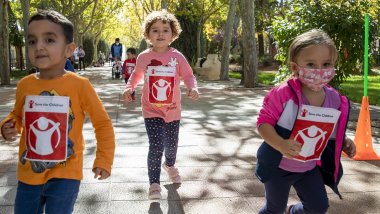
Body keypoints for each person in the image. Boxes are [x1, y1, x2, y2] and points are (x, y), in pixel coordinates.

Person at [0, 10, 115, 214]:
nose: (39, 46)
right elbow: (17, 115)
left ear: (69, 49)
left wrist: (104, 160)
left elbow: (103, 124)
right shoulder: (25, 85)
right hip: (28, 175)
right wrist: (8, 126)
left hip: (66, 175)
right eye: (32, 41)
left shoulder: (80, 85)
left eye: (49, 39)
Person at [255, 29, 356, 214]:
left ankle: (292, 211)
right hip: (278, 167)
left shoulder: (334, 99)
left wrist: (344, 141)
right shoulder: (283, 94)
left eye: (326, 64)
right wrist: (279, 143)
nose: (319, 70)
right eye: (311, 64)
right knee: (274, 209)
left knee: (319, 207)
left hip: (308, 168)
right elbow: (263, 123)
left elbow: (331, 129)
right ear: (295, 67)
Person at [123, 10, 199, 200]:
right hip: (151, 109)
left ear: (173, 35)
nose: (160, 34)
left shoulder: (178, 57)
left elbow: (189, 75)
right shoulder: (143, 57)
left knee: (171, 146)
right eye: (155, 30)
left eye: (165, 30)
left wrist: (192, 88)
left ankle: (170, 165)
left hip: (173, 111)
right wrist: (129, 88)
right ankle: (154, 183)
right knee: (156, 145)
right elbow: (136, 76)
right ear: (147, 35)